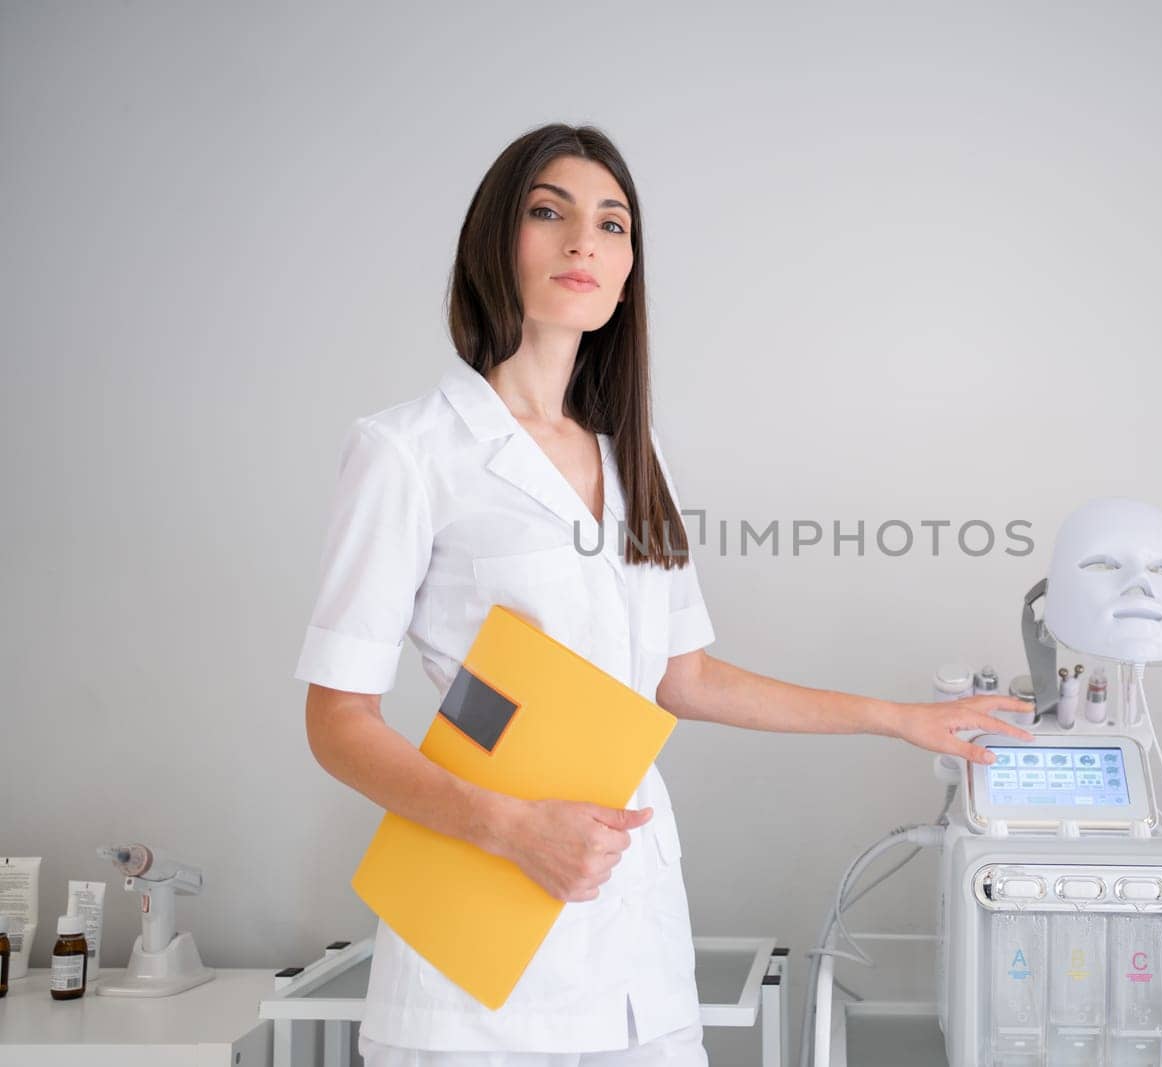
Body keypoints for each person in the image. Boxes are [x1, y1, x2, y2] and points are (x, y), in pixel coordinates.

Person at [293, 123, 1032, 1066]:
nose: (582, 244)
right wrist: (516, 830)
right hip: (479, 970)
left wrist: (900, 718)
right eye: (548, 212)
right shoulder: (409, 452)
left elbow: (683, 677)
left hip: (637, 959)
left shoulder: (633, 458)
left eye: (613, 224)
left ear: (628, 267)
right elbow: (337, 720)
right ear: (495, 239)